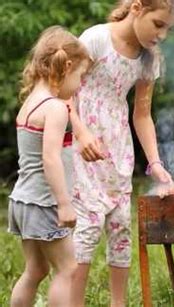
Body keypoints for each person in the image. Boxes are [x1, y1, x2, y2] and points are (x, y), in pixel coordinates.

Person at [68, 1, 174, 306]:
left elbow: (142, 115)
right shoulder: (95, 39)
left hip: (118, 151)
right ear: (137, 7)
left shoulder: (149, 59)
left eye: (168, 29)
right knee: (87, 229)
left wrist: (155, 162)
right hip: (83, 149)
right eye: (158, 24)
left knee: (121, 228)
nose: (161, 35)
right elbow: (63, 93)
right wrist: (80, 133)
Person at [8, 26, 91, 306]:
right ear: (67, 66)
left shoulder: (32, 101)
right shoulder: (55, 108)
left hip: (22, 201)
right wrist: (64, 203)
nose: (80, 85)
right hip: (44, 204)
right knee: (67, 269)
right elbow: (50, 158)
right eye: (81, 76)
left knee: (36, 269)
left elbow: (42, 151)